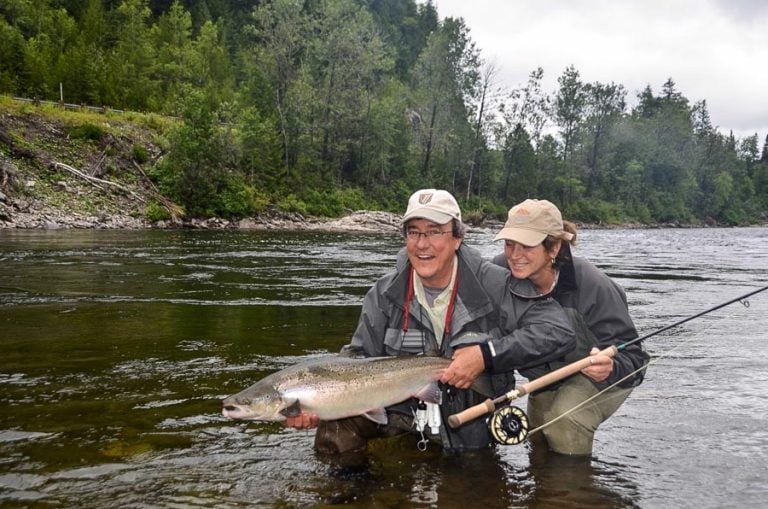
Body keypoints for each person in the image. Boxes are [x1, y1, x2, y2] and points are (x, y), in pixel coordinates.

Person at [287, 189, 575, 456]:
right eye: (414, 233)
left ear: (457, 238)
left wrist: (486, 355)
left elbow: (557, 332)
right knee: (336, 427)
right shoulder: (384, 293)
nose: (422, 245)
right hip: (402, 413)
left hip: (471, 422)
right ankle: (351, 491)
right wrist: (320, 403)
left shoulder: (495, 284)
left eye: (435, 232)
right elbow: (357, 358)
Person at [492, 198, 648, 456]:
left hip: (599, 376)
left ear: (554, 248)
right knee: (537, 438)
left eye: (527, 245)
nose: (515, 256)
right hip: (546, 377)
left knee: (565, 423)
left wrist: (611, 366)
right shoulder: (499, 272)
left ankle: (574, 495)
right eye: (509, 244)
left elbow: (635, 359)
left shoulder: (593, 285)